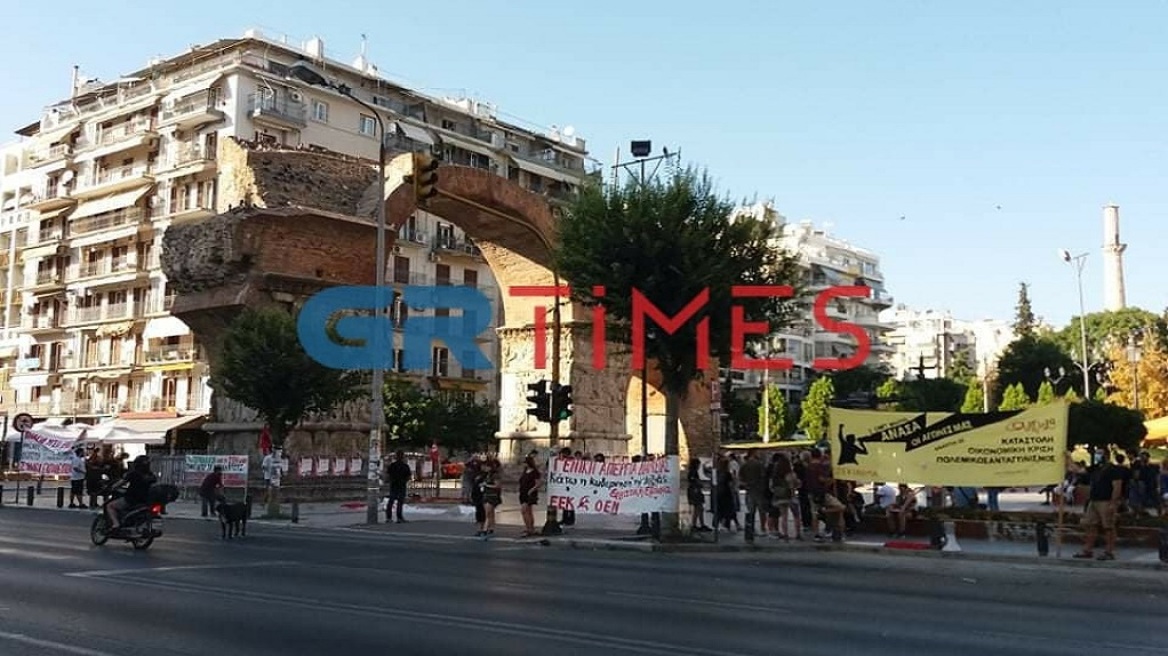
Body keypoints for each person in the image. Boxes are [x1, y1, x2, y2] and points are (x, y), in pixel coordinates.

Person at [107, 455, 156, 532]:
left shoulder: (133, 474)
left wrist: (112, 487)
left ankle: (116, 524)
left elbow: (121, 483)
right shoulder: (151, 475)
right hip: (145, 499)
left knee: (110, 506)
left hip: (131, 499)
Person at [385, 450, 412, 523]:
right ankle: (399, 517)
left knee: (391, 501)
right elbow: (409, 476)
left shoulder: (392, 465)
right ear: (403, 457)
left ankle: (388, 517)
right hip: (401, 485)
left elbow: (388, 475)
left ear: (396, 457)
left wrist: (390, 480)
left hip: (394, 485)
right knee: (400, 502)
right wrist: (405, 480)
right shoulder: (405, 466)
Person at [518, 454, 541, 536]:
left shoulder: (535, 472)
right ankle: (531, 528)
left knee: (524, 511)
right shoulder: (525, 471)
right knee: (529, 512)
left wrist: (531, 490)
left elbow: (538, 484)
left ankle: (529, 528)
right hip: (523, 492)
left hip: (530, 493)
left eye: (525, 463)